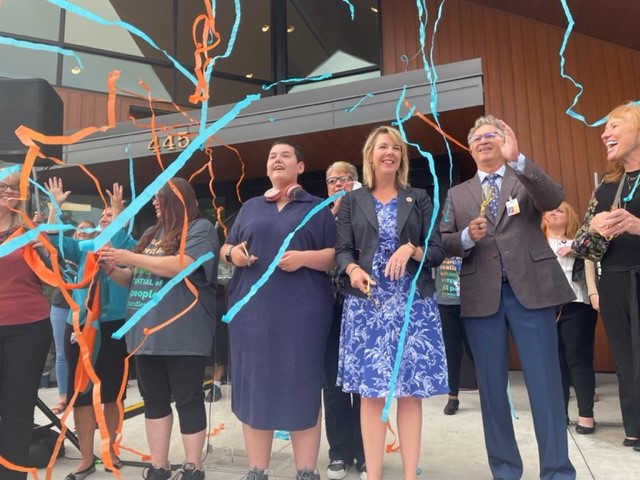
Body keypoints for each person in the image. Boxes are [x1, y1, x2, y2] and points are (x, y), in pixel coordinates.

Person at [439, 115, 576, 480]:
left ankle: (558, 471)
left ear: (503, 142)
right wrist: (467, 236)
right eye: (478, 137)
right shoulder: (457, 194)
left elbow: (554, 197)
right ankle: (504, 470)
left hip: (531, 292)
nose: (484, 141)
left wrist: (519, 160)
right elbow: (444, 240)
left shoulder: (523, 179)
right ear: (470, 147)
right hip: (481, 295)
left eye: (492, 136)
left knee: (545, 383)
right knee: (491, 390)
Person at [335, 126, 448, 480]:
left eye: (396, 148)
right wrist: (353, 270)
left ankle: (409, 475)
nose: (390, 153)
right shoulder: (352, 201)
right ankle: (374, 475)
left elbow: (438, 250)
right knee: (371, 394)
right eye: (383, 147)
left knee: (409, 394)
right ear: (370, 155)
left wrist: (411, 248)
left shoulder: (420, 197)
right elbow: (342, 251)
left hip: (412, 305)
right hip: (368, 305)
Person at [221, 140, 336, 480]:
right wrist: (233, 255)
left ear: (301, 167)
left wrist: (304, 259)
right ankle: (257, 470)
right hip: (252, 313)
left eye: (285, 155)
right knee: (256, 388)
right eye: (272, 156)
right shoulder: (250, 207)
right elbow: (226, 246)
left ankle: (306, 470)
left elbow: (336, 255)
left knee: (302, 387)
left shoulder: (318, 208)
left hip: (304, 314)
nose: (277, 160)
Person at [101, 177, 219, 480]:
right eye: (153, 197)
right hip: (145, 335)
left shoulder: (200, 230)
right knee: (154, 401)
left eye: (161, 196)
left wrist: (130, 257)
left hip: (183, 333)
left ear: (179, 198)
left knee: (188, 399)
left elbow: (183, 265)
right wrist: (114, 269)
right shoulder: (153, 233)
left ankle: (194, 467)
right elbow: (136, 279)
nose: (154, 202)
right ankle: (159, 466)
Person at [44, 177, 135, 480]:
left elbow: (120, 245)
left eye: (113, 215)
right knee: (81, 395)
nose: (106, 218)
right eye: (104, 215)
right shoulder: (85, 244)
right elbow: (55, 241)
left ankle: (110, 452)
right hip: (81, 326)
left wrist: (119, 213)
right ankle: (86, 458)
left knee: (111, 394)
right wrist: (55, 207)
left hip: (113, 325)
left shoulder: (126, 242)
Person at [572, 102, 640, 451]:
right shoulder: (605, 189)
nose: (604, 133)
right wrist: (595, 231)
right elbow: (583, 245)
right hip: (613, 280)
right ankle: (635, 427)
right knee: (625, 360)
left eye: (614, 126)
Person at [0, 168, 53, 480]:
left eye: (11, 188)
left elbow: (55, 274)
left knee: (17, 409)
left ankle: (12, 475)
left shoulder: (32, 232)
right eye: (2, 187)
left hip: (27, 327)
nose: (7, 192)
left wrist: (47, 253)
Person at [323, 161, 364, 480]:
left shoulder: (368, 207)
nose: (338, 184)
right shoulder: (320, 215)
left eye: (344, 179)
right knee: (333, 382)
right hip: (329, 308)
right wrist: (334, 211)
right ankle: (338, 451)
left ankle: (365, 452)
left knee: (364, 382)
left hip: (363, 306)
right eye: (332, 180)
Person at [542, 202, 598, 434]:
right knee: (554, 364)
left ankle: (586, 415)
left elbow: (592, 267)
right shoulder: (535, 243)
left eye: (560, 210)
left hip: (577, 305)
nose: (554, 212)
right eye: (549, 210)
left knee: (579, 361)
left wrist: (576, 250)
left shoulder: (581, 243)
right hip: (545, 309)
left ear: (570, 217)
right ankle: (560, 413)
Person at [49, 220, 97, 416]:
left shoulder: (93, 252)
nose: (82, 232)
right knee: (62, 353)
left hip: (87, 309)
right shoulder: (67, 248)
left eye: (87, 229)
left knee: (88, 356)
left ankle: (87, 401)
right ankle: (63, 397)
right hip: (62, 305)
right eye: (79, 229)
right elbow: (51, 241)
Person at [435, 256, 475, 415]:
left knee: (477, 351)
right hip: (445, 303)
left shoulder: (470, 235)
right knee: (451, 352)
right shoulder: (439, 235)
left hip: (472, 303)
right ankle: (452, 397)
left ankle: (490, 396)